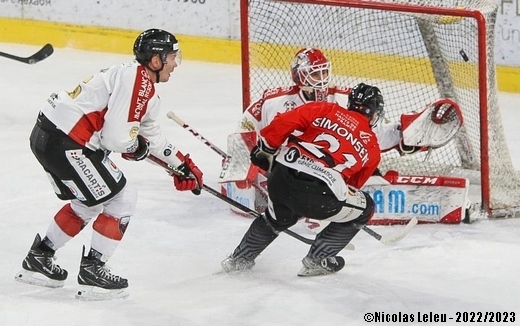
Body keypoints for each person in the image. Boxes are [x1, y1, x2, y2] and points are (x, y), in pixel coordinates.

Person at [14, 28, 203, 299]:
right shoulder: (138, 81)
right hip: (69, 142)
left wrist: (181, 164)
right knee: (123, 198)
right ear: (156, 60)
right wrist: (135, 148)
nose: (175, 64)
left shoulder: (135, 81)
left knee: (90, 200)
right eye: (172, 57)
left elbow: (149, 138)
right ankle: (93, 271)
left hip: (48, 136)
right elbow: (117, 139)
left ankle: (40, 258)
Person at [221, 47, 403, 229]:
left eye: (324, 72)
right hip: (284, 167)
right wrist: (245, 164)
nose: (322, 78)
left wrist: (401, 135)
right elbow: (245, 130)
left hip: (319, 173)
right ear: (298, 75)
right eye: (315, 74)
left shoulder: (338, 98)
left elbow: (371, 135)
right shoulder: (273, 100)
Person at [221, 82, 384, 276]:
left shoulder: (325, 108)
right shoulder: (372, 147)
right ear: (374, 114)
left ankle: (239, 259)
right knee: (366, 209)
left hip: (281, 178)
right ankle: (318, 258)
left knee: (275, 219)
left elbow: (284, 122)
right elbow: (350, 188)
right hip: (318, 195)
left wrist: (267, 149)